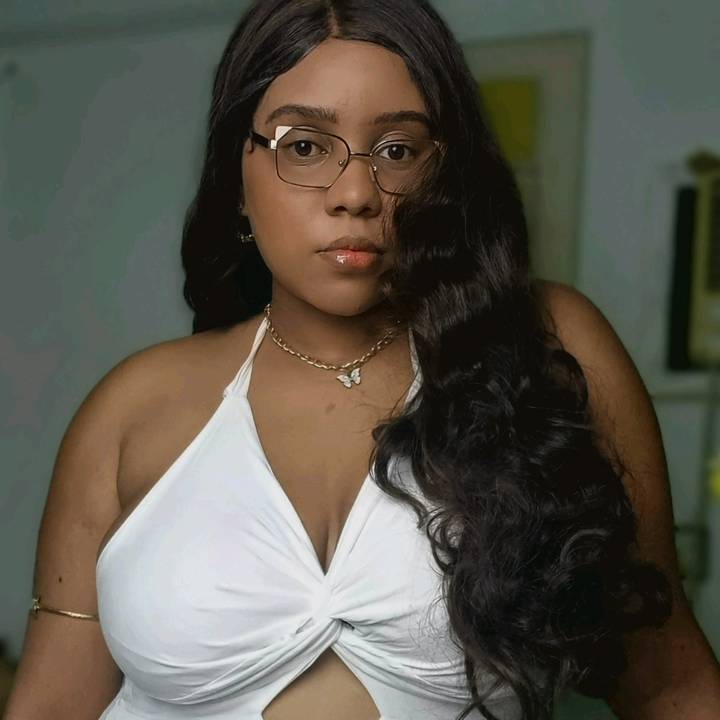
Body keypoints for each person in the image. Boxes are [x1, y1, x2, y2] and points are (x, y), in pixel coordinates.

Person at [6, 1, 720, 719]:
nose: (355, 195)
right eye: (304, 147)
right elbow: (52, 705)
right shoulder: (133, 408)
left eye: (398, 151)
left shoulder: (543, 351)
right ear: (235, 175)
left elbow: (671, 684)